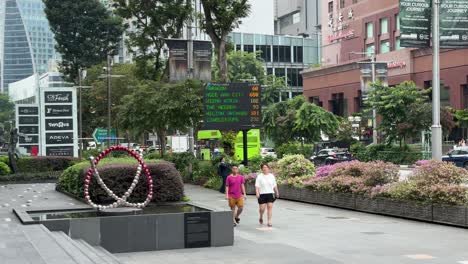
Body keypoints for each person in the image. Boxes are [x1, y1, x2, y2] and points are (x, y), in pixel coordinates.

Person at [255, 163, 279, 227]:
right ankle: (261, 216)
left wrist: (277, 192)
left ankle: (269, 221)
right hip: (262, 194)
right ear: (262, 169)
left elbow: (274, 185)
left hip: (270, 193)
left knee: (270, 207)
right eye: (263, 167)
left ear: (268, 168)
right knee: (262, 209)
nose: (265, 168)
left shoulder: (271, 176)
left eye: (266, 167)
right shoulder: (259, 176)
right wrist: (257, 193)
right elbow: (257, 186)